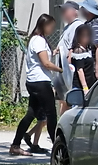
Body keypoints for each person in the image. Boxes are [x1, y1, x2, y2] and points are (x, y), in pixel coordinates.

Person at [10, 14, 63, 156]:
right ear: (44, 25)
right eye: (51, 26)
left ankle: (15, 145)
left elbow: (44, 57)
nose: (52, 29)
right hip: (41, 83)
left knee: (31, 114)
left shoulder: (37, 40)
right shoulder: (39, 40)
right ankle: (58, 149)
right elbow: (46, 63)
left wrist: (55, 52)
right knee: (51, 115)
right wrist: (61, 70)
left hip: (33, 82)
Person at [54, 0, 84, 112]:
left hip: (69, 72)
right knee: (63, 101)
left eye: (65, 10)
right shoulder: (68, 27)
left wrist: (69, 68)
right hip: (63, 71)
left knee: (67, 100)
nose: (63, 13)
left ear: (74, 12)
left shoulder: (77, 26)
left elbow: (73, 48)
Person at [69, 23, 96, 94]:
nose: (86, 37)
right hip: (80, 88)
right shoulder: (78, 51)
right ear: (78, 36)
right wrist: (85, 88)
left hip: (89, 85)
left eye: (88, 35)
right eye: (83, 35)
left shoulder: (86, 49)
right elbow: (79, 70)